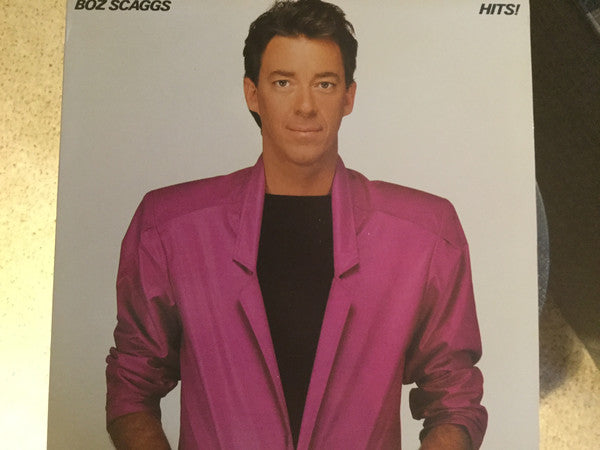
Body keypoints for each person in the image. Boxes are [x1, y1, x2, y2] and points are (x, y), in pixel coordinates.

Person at [106, 1, 487, 449]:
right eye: (283, 82)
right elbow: (132, 387)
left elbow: (454, 398)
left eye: (324, 84)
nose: (305, 106)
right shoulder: (169, 229)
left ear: (349, 96)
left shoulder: (425, 235)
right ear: (252, 93)